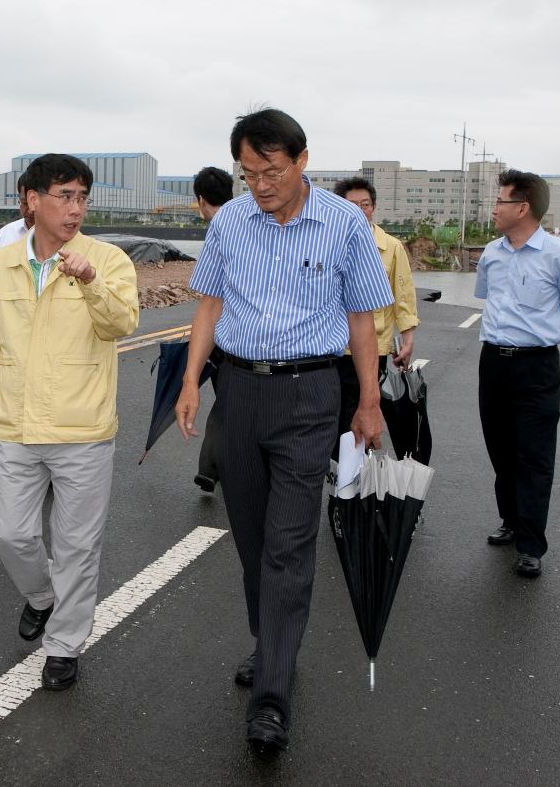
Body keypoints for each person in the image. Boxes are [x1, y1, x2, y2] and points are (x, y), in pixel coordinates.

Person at [174, 109, 392, 757]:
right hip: (237, 391)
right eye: (249, 173)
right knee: (250, 538)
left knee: (288, 544)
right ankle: (272, 641)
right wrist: (191, 382)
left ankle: (271, 696)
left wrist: (370, 401)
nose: (260, 185)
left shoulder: (345, 224)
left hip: (309, 395)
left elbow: (361, 318)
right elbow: (209, 303)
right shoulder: (231, 224)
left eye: (271, 171)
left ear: (301, 160)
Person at [0, 153, 139, 691]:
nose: (75, 208)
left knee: (78, 545)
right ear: (32, 200)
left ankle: (63, 645)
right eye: (64, 196)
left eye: (82, 197)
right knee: (10, 533)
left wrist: (91, 281)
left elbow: (122, 323)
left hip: (83, 430)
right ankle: (42, 597)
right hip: (18, 426)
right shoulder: (3, 264)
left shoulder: (106, 260)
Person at [475, 169, 560, 578]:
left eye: (500, 201)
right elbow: (488, 299)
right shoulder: (491, 253)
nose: (494, 209)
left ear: (522, 207)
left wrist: (544, 337)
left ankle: (531, 544)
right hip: (494, 363)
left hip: (537, 367)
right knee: (501, 449)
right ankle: (511, 520)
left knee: (534, 456)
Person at [332, 177, 419, 449]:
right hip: (332, 345)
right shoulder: (328, 243)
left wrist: (407, 339)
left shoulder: (390, 247)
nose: (360, 210)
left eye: (365, 204)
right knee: (332, 415)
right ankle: (340, 474)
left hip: (372, 345)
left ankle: (352, 477)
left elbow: (403, 294)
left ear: (374, 207)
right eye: (352, 205)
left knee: (359, 411)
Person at [191, 166, 234, 494]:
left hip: (226, 338)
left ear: (201, 200)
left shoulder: (220, 227)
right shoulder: (248, 222)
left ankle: (213, 466)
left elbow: (209, 302)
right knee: (229, 402)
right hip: (243, 336)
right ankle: (213, 466)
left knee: (229, 402)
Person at [0, 169, 33, 272]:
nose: (30, 210)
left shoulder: (62, 236)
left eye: (35, 203)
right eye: (25, 203)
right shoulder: (6, 234)